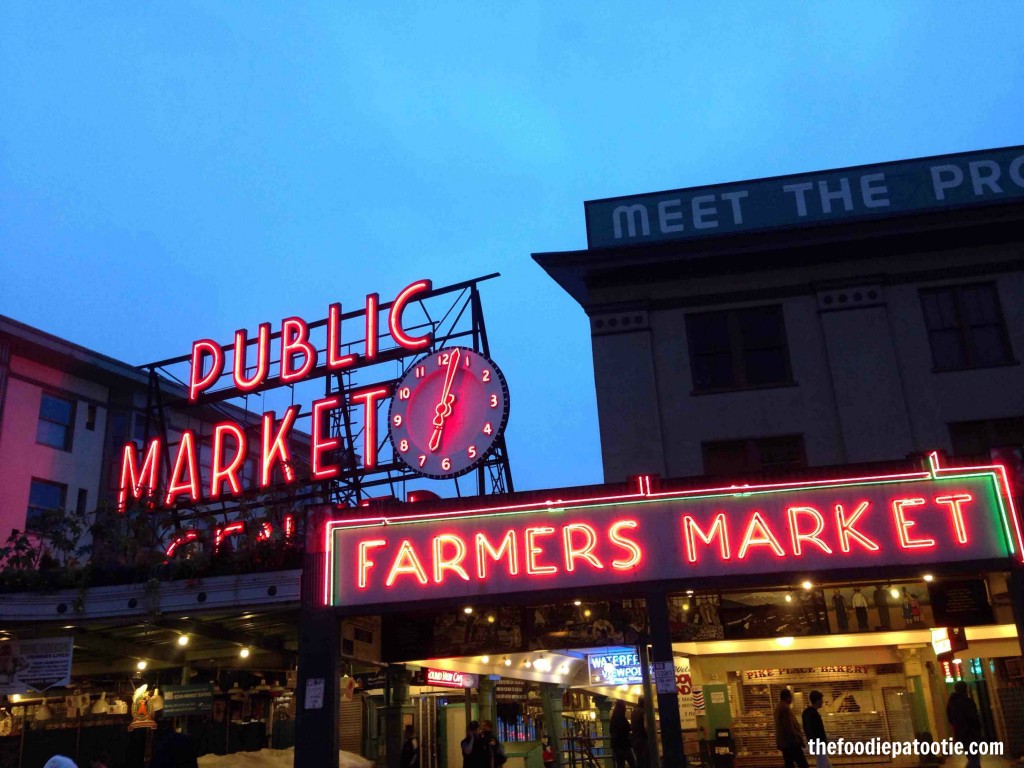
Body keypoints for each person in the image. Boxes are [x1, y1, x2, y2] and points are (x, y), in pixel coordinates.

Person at [947, 681, 982, 768]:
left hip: (960, 734)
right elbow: (974, 718)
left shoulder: (951, 703)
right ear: (965, 689)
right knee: (974, 758)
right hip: (971, 733)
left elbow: (950, 719)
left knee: (972, 757)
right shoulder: (968, 702)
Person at [774, 689, 807, 768]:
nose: (792, 699)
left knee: (789, 763)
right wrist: (798, 739)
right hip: (791, 743)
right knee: (802, 764)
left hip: (784, 743)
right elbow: (789, 727)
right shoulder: (785, 708)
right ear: (787, 698)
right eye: (791, 697)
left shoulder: (778, 708)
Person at [801, 690, 830, 768]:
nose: (822, 702)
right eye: (821, 700)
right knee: (822, 764)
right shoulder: (814, 714)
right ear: (817, 701)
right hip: (819, 743)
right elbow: (819, 731)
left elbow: (807, 729)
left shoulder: (806, 713)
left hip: (814, 742)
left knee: (825, 763)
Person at [609, 700, 635, 768]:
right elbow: (629, 728)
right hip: (624, 746)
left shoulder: (613, 718)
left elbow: (611, 731)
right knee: (633, 763)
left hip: (616, 746)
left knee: (620, 765)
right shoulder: (622, 718)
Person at [631, 697, 649, 768]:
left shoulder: (633, 712)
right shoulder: (644, 712)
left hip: (635, 740)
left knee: (639, 760)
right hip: (643, 740)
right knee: (646, 760)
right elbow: (646, 726)